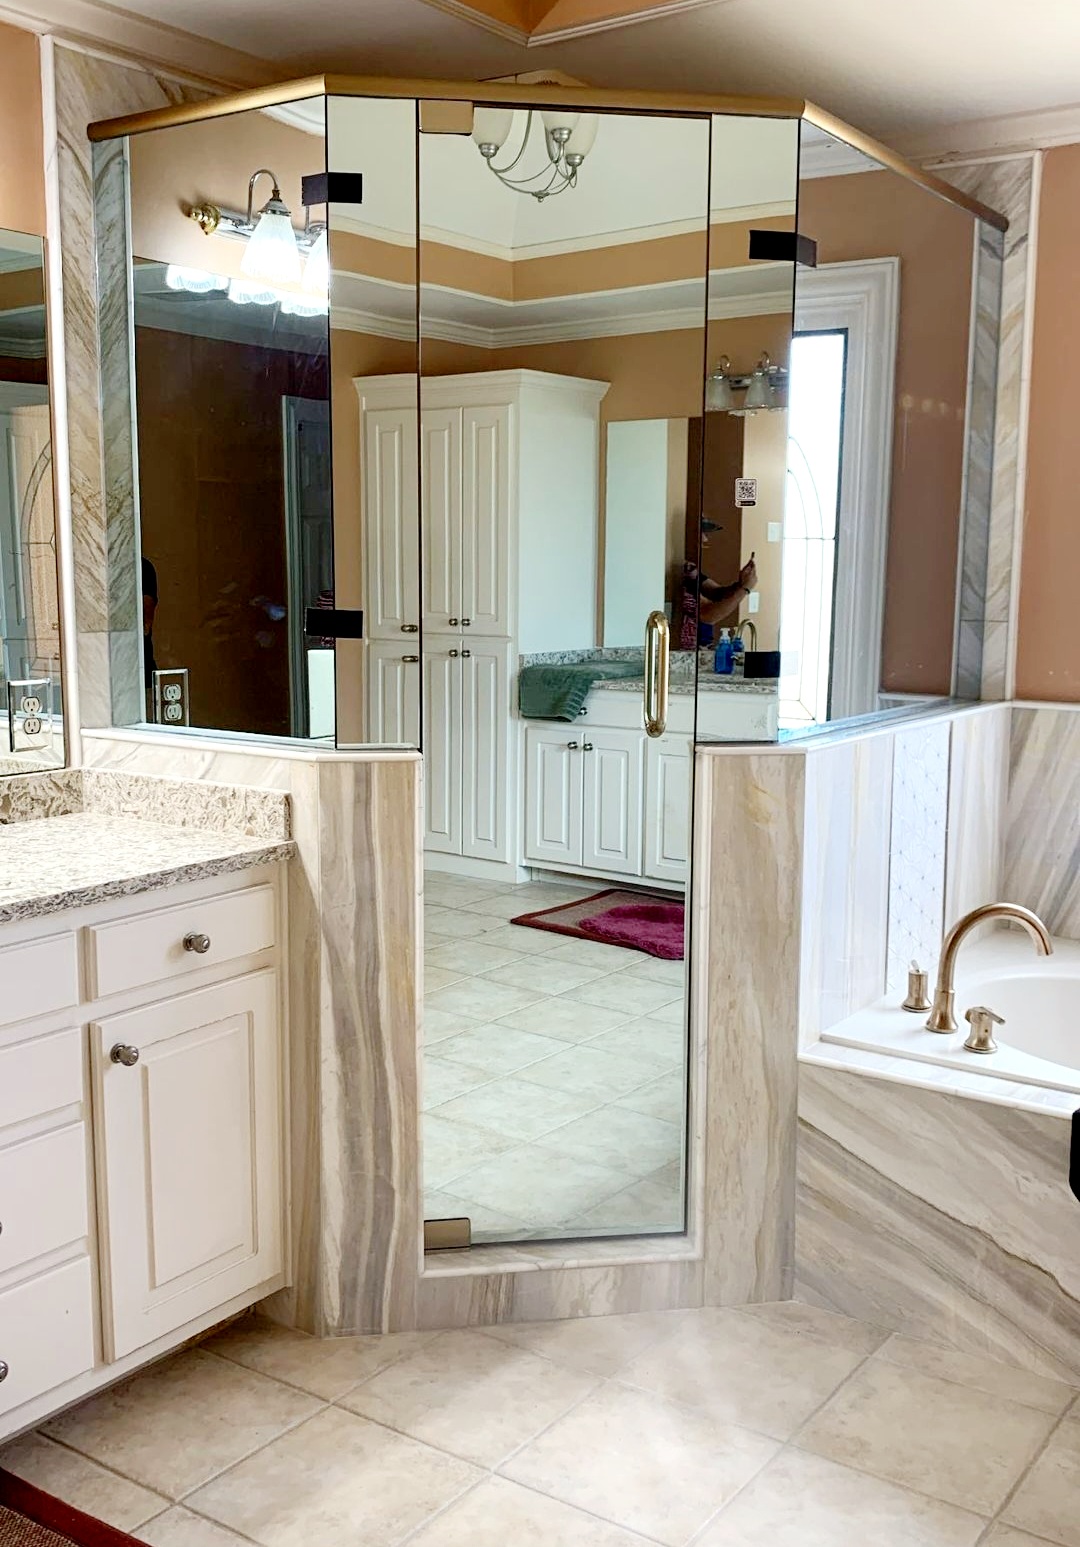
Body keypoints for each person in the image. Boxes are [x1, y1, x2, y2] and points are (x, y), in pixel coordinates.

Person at [679, 538, 757, 650]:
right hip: (688, 652)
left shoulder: (689, 569)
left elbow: (717, 593)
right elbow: (707, 614)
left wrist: (741, 584)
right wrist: (745, 589)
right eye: (702, 533)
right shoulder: (678, 573)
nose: (705, 539)